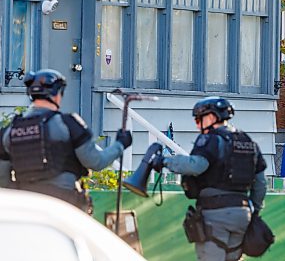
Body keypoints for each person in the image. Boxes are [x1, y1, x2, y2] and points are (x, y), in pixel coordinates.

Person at [0, 69, 132, 213]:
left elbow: (3, 180)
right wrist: (120, 144)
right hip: (64, 209)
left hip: (28, 211)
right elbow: (96, 161)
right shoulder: (68, 124)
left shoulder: (9, 132)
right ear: (57, 95)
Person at [154, 96, 267, 261]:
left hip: (215, 215)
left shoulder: (211, 139)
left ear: (212, 117)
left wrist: (165, 161)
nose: (197, 125)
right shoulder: (249, 142)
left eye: (199, 120)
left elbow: (196, 165)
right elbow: (261, 185)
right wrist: (254, 212)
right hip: (242, 216)